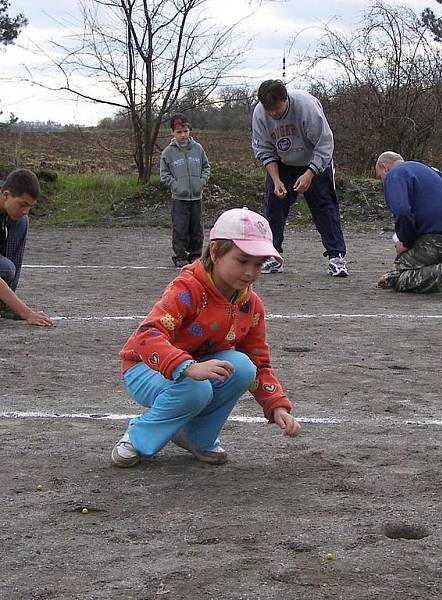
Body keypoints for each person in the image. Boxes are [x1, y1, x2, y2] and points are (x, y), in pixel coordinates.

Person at [112, 208, 301, 467]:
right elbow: (147, 335)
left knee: (244, 367)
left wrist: (277, 405)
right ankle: (138, 437)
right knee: (196, 387)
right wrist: (187, 366)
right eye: (242, 260)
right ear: (214, 252)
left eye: (258, 264)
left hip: (195, 370)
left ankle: (197, 436)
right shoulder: (187, 289)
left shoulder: (250, 305)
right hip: (144, 367)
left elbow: (258, 361)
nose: (250, 272)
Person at [251, 79, 348, 277]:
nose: (273, 114)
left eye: (276, 109)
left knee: (325, 207)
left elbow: (325, 144)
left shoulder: (306, 107)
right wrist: (276, 180)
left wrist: (310, 173)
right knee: (273, 206)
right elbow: (264, 148)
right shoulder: (260, 113)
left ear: (285, 99)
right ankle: (272, 255)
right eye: (268, 110)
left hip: (315, 159)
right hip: (283, 163)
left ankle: (336, 257)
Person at [374, 151, 442, 299]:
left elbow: (402, 212)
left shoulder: (395, 174)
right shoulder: (428, 170)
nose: (382, 181)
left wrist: (405, 243)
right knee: (412, 261)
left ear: (384, 167)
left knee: (401, 271)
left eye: (380, 176)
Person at [0, 168, 53, 327]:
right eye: (22, 204)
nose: (25, 211)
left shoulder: (12, 208)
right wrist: (27, 313)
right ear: (6, 195)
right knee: (6, 269)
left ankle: (4, 305)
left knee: (22, 222)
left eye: (30, 206)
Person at [159, 113, 211, 268]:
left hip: (196, 196)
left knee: (196, 226)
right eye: (179, 132)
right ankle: (180, 255)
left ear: (190, 131)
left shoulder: (198, 149)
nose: (183, 135)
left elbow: (206, 167)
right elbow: (164, 174)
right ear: (172, 133)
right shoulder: (168, 153)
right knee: (180, 226)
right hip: (179, 198)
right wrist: (176, 185)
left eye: (185, 131)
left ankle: (195, 254)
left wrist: (201, 182)